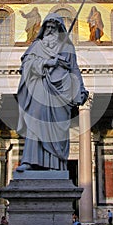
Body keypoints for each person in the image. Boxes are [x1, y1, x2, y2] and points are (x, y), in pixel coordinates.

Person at [16, 13, 89, 172]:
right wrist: (48, 62)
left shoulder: (67, 48)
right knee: (35, 122)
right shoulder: (37, 46)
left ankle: (55, 166)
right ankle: (29, 161)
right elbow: (26, 66)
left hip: (60, 92)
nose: (50, 30)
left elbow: (75, 69)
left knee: (57, 128)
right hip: (40, 89)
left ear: (59, 29)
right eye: (47, 27)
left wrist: (81, 89)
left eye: (53, 27)